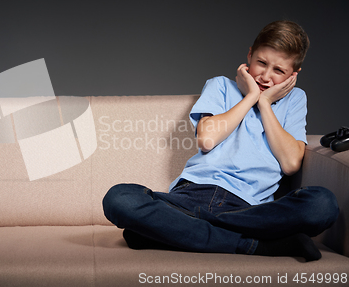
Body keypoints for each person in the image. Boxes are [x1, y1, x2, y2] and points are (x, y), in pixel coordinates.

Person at [102, 20, 339, 262]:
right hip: (190, 197)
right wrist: (251, 97)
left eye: (278, 71)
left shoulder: (295, 99)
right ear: (249, 55)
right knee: (119, 198)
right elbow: (206, 140)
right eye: (261, 63)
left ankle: (175, 232)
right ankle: (254, 246)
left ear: (293, 75)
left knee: (322, 204)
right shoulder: (221, 86)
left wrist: (265, 104)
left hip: (250, 208)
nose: (266, 76)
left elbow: (290, 164)